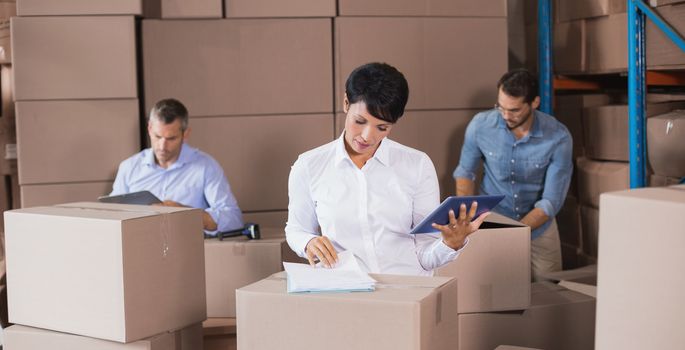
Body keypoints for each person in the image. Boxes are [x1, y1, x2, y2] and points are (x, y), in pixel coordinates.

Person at [285, 62, 488, 276]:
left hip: (408, 293)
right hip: (345, 290)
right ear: (346, 102)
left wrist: (450, 244)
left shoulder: (417, 165)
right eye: (359, 121)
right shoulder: (309, 166)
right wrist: (308, 242)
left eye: (382, 128)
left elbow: (425, 256)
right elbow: (296, 229)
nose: (366, 136)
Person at [453, 68, 573, 280]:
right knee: (493, 290)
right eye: (501, 107)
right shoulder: (480, 126)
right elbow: (465, 172)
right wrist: (465, 217)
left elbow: (551, 201)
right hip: (491, 220)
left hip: (539, 227)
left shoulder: (558, 136)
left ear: (534, 103)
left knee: (551, 291)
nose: (506, 116)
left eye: (515, 110)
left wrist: (517, 232)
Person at [111, 98, 243, 235]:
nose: (162, 146)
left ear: (185, 134)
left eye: (171, 138)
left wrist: (185, 214)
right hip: (138, 246)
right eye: (157, 136)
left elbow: (234, 219)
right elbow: (111, 215)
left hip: (188, 249)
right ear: (150, 128)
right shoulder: (129, 167)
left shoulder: (206, 167)